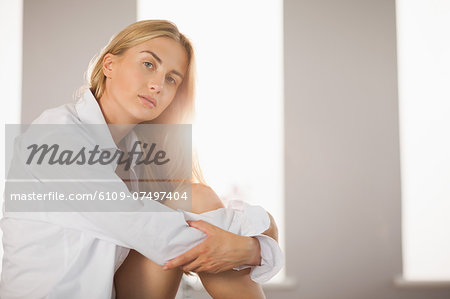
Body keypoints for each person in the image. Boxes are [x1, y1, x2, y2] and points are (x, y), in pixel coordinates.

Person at [0, 20, 283, 298]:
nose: (158, 85)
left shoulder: (136, 155)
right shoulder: (56, 135)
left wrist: (260, 235)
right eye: (149, 64)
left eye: (172, 79)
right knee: (198, 208)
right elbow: (151, 232)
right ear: (109, 65)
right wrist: (255, 248)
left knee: (197, 199)